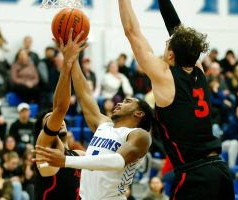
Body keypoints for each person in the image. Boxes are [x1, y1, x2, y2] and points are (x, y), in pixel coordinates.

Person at [117, 0, 234, 199]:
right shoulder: (199, 69)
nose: (165, 45)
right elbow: (177, 29)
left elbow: (131, 31)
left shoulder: (165, 77)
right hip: (221, 173)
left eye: (166, 45)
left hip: (195, 176)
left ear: (171, 55)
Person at [33, 30, 153, 200]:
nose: (119, 102)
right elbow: (84, 94)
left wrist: (66, 161)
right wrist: (73, 58)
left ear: (139, 113)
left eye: (127, 101)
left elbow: (117, 161)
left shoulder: (139, 136)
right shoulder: (104, 124)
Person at [33, 31, 87, 200]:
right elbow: (60, 108)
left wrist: (75, 59)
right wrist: (67, 62)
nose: (58, 121)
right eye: (49, 120)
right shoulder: (43, 153)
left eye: (56, 118)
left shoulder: (78, 156)